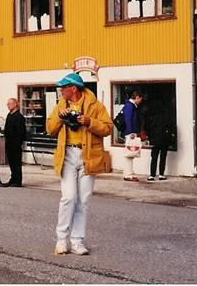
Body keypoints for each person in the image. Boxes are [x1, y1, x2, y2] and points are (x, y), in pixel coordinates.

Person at [47, 73, 112, 256]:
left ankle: (77, 241)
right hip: (67, 155)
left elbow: (108, 128)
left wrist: (89, 122)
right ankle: (61, 240)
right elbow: (50, 129)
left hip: (88, 156)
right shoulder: (60, 105)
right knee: (68, 197)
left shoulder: (95, 105)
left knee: (83, 200)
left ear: (73, 88)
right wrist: (60, 117)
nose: (61, 91)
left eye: (63, 88)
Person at [148, 106, 175, 181]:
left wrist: (151, 138)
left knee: (154, 157)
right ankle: (161, 174)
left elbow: (150, 128)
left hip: (156, 139)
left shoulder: (154, 118)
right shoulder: (168, 118)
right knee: (163, 157)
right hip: (164, 139)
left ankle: (152, 175)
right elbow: (172, 128)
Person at [122, 91, 144, 181]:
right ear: (137, 97)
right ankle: (128, 174)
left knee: (131, 153)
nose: (140, 102)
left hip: (131, 132)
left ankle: (129, 172)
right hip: (130, 133)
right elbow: (127, 119)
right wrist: (130, 131)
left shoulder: (131, 106)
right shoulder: (130, 106)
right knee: (129, 153)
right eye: (140, 100)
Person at [4, 98, 26, 187]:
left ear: (15, 104)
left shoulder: (19, 117)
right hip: (9, 142)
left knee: (16, 163)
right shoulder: (9, 115)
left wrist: (18, 143)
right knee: (11, 162)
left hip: (15, 144)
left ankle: (17, 181)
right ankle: (12, 179)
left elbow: (21, 132)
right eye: (7, 104)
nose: (8, 106)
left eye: (9, 104)